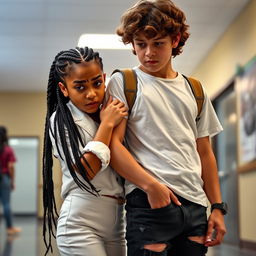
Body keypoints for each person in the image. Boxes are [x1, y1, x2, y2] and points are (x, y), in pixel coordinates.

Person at [107, 0, 227, 255]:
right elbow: (114, 147)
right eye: (141, 44)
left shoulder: (195, 89)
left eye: (158, 44)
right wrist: (151, 186)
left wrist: (217, 206)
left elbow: (205, 153)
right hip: (149, 202)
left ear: (175, 40)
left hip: (195, 205)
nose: (148, 52)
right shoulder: (125, 82)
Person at [42, 46, 128, 256]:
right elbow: (86, 170)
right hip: (80, 224)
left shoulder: (111, 111)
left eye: (97, 83)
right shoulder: (61, 119)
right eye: (80, 87)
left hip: (118, 222)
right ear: (64, 89)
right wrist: (107, 125)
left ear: (104, 78)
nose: (91, 94)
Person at [0, 126, 21, 235]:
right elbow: (11, 166)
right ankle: (9, 228)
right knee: (6, 204)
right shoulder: (8, 149)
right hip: (4, 178)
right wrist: (12, 181)